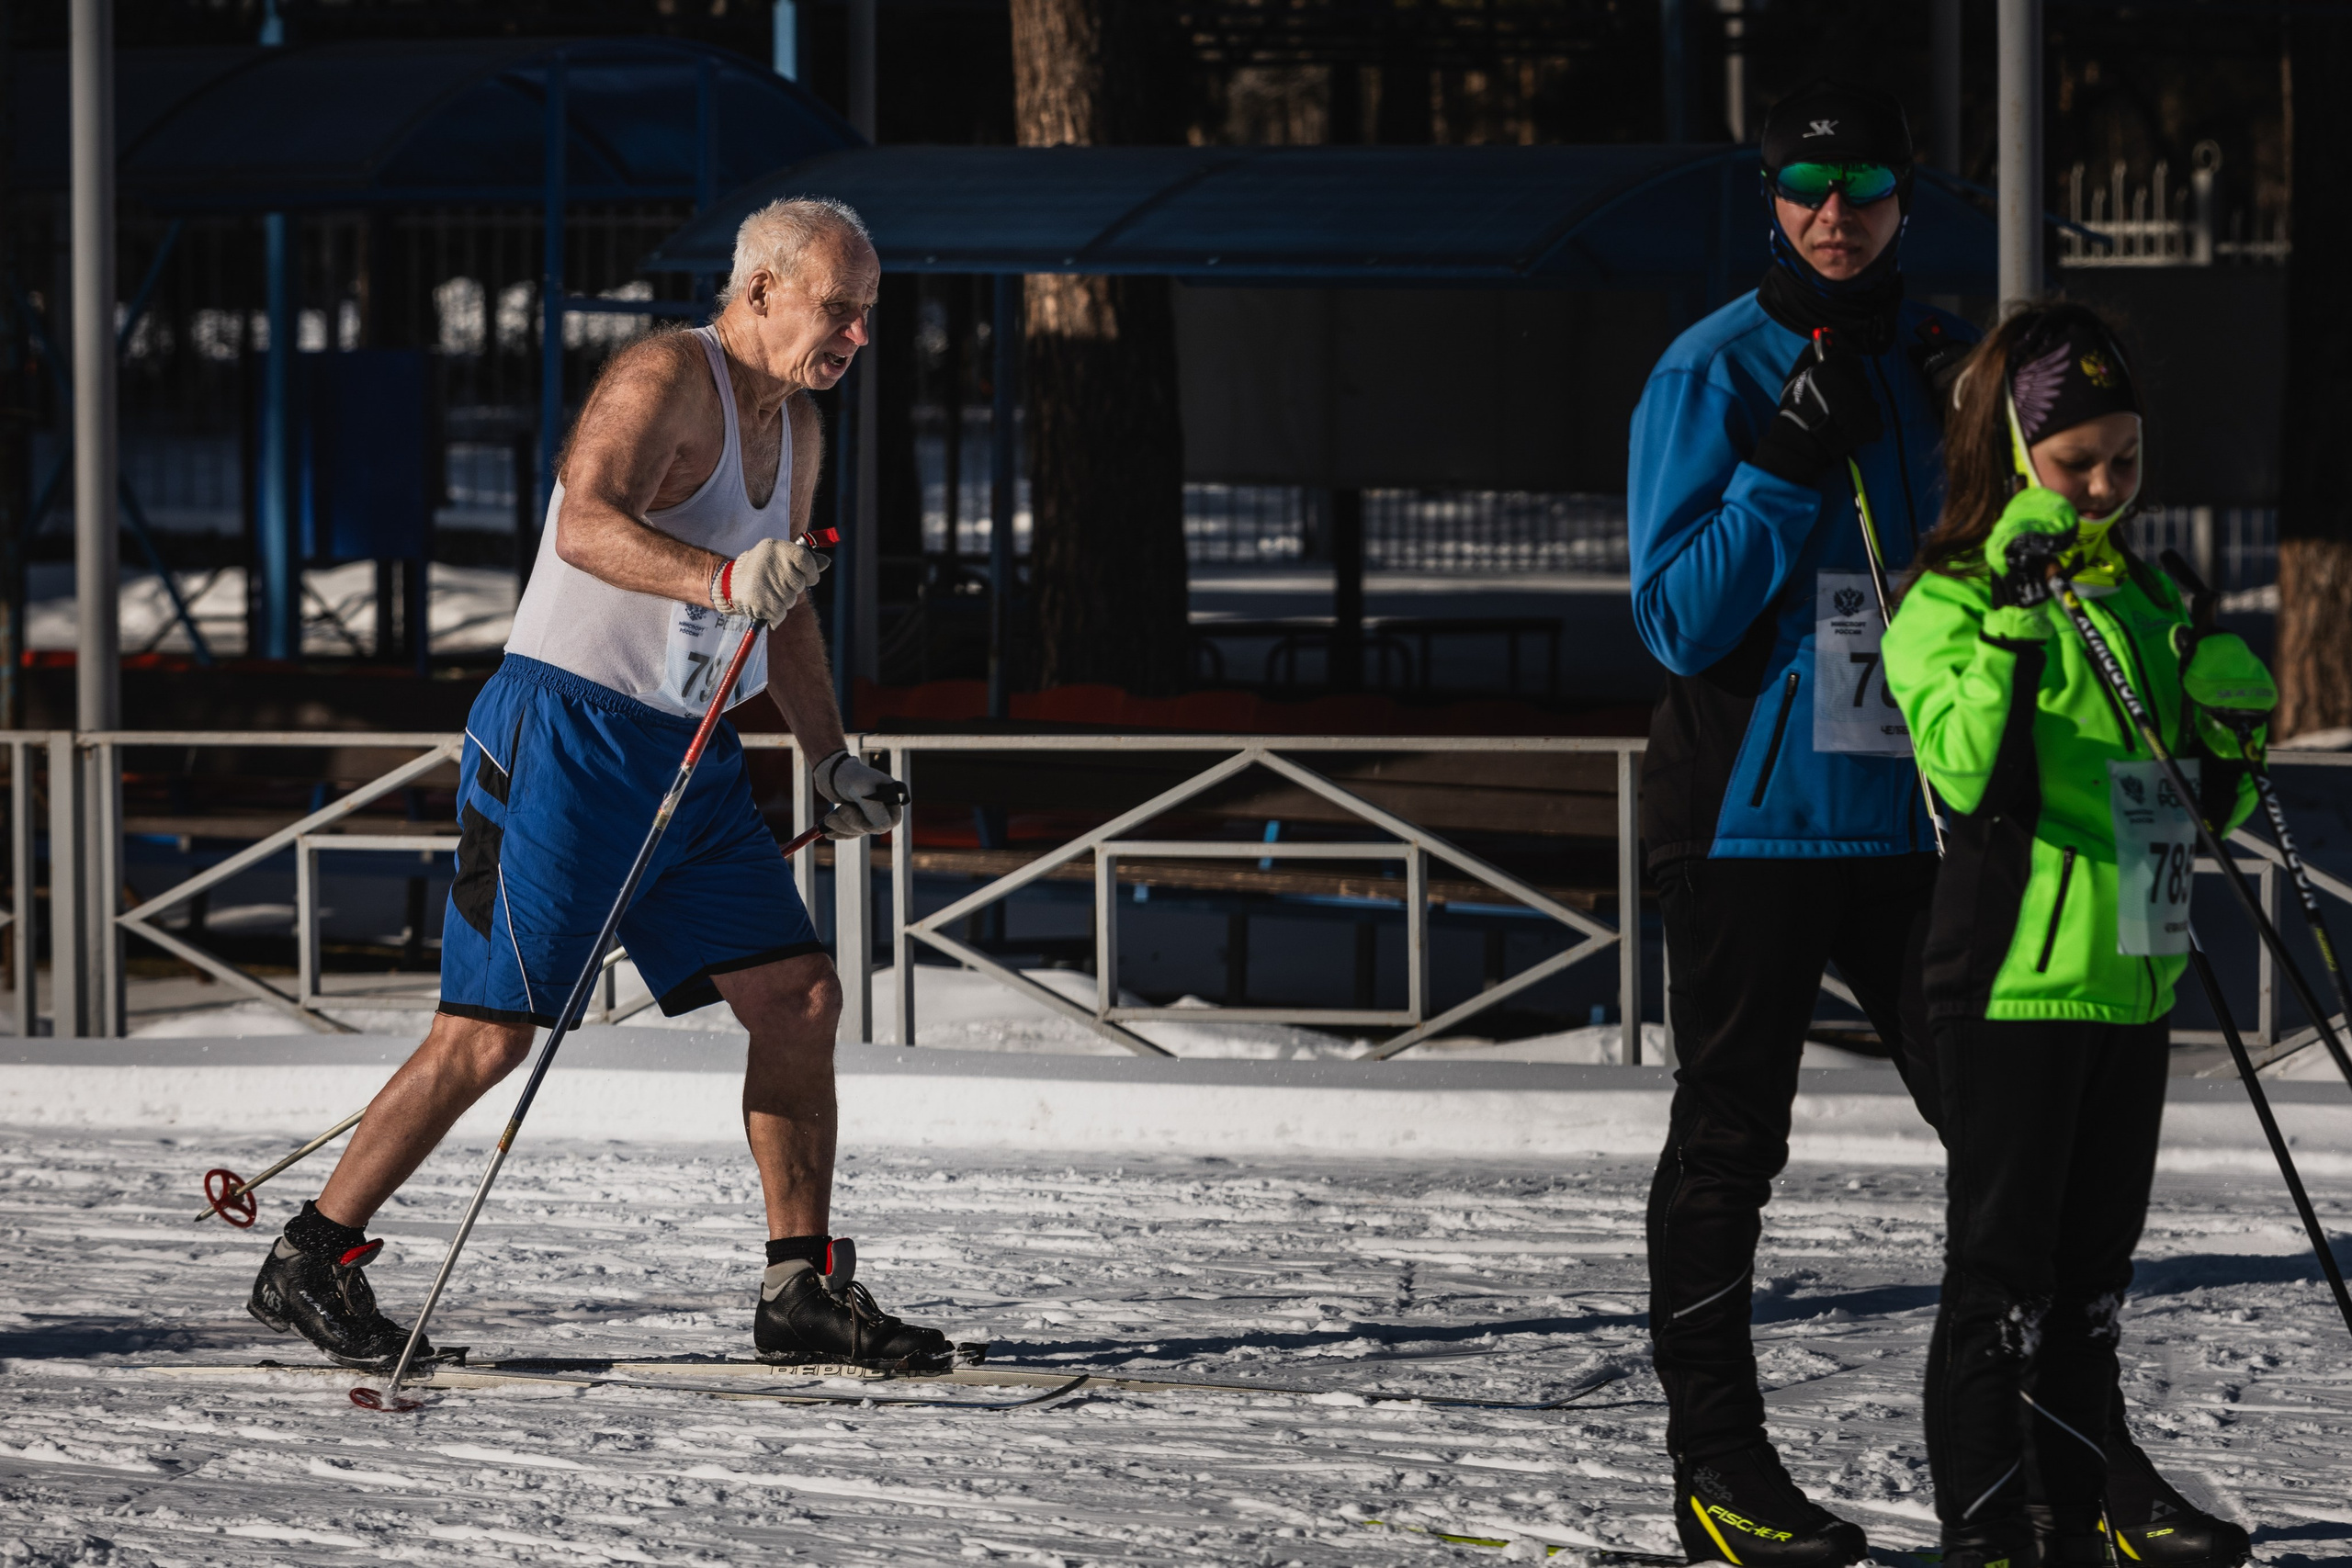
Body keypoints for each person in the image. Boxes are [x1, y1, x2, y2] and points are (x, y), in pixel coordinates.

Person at [1626, 81, 2246, 1568]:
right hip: (1752, 823)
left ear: (1908, 199)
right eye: (1805, 186)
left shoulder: (1952, 367)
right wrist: (1780, 467)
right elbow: (1674, 621)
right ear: (1770, 197)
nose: (1833, 214)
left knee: (2019, 1149)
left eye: (1864, 187)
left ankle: (2089, 1465)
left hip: (1921, 823)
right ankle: (1720, 1468)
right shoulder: (1710, 370)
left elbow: (2024, 550)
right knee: (1731, 1143)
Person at [244, 197, 952, 1375]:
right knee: (488, 1036)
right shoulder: (667, 375)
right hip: (565, 739)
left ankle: (797, 1287)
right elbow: (586, 524)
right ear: (762, 289)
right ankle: (311, 1254)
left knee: (798, 998)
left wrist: (826, 755)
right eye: (840, 308)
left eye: (868, 312)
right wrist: (722, 578)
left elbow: (779, 612)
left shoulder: (799, 426)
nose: (858, 335)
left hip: (694, 758)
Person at [1882, 302, 2271, 1568]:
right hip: (2014, 981)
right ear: (2010, 453)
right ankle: (1988, 1533)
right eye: (2075, 463)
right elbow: (1967, 775)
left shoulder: (2148, 592)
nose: (2104, 487)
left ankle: (2079, 1517)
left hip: (2134, 972)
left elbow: (2191, 805)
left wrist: (2233, 738)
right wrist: (2011, 615)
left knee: (2093, 1291)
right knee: (2001, 1286)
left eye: (2125, 459)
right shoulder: (1948, 596)